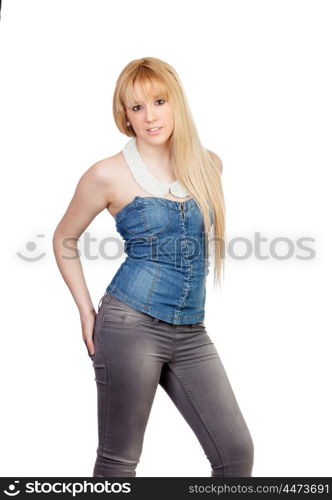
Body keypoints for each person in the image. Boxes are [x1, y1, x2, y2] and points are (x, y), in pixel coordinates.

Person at [52, 57, 254, 477]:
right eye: (136, 107)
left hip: (192, 330)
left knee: (235, 454)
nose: (150, 116)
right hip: (129, 324)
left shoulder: (209, 165)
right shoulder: (106, 174)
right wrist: (86, 312)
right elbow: (63, 239)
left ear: (176, 103)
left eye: (159, 101)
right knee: (119, 462)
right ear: (124, 115)